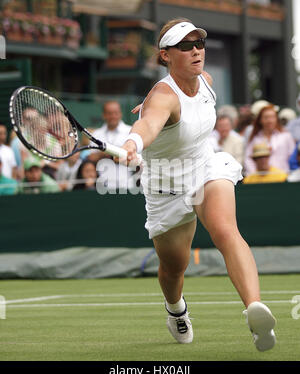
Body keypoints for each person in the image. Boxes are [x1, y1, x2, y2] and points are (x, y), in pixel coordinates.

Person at [119, 18, 276, 351]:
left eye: (199, 44)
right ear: (165, 55)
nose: (195, 51)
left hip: (205, 166)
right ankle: (176, 308)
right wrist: (134, 142)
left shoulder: (204, 80)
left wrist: (143, 131)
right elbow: (149, 123)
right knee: (174, 267)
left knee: (225, 231)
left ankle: (255, 309)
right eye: (185, 46)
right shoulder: (163, 96)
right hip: (166, 187)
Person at [88, 101, 138, 192]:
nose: (113, 116)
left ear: (120, 114)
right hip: (103, 187)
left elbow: (136, 158)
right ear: (104, 115)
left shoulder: (130, 131)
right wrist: (104, 154)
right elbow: (91, 157)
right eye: (110, 113)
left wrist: (118, 155)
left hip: (127, 184)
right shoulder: (96, 134)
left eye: (116, 113)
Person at [244, 105, 295, 175]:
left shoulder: (286, 136)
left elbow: (292, 157)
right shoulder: (255, 138)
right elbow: (248, 159)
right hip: (261, 180)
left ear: (276, 119)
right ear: (260, 120)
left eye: (272, 117)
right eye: (266, 117)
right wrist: (254, 174)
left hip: (283, 178)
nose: (269, 120)